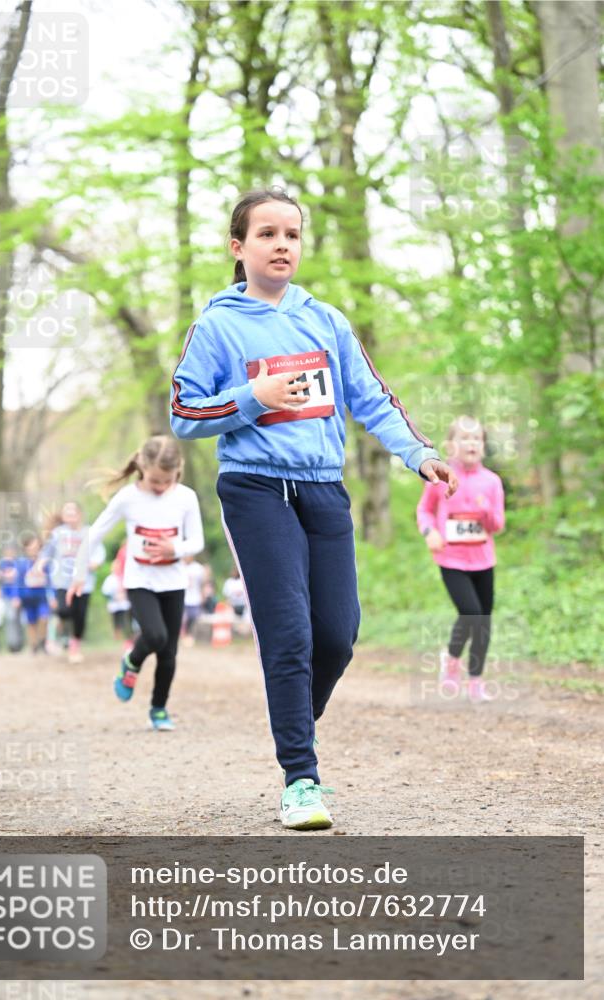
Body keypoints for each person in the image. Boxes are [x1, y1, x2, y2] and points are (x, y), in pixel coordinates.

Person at [170, 187, 457, 831]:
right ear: (238, 247)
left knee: (337, 634)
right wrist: (253, 395)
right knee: (290, 634)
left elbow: (373, 398)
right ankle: (301, 778)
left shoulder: (325, 320)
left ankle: (297, 718)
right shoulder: (217, 326)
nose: (282, 245)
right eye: (267, 234)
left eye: (292, 235)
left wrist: (419, 454)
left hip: (324, 488)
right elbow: (184, 413)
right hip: (255, 489)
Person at [67, 436, 205, 731]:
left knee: (169, 653)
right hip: (140, 580)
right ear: (142, 466)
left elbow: (197, 541)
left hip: (174, 581)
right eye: (155, 480)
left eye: (167, 480)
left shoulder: (186, 498)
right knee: (155, 636)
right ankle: (132, 661)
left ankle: (158, 709)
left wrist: (174, 548)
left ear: (178, 470)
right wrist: (78, 574)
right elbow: (95, 534)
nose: (161, 487)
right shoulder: (128, 498)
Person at [417, 415, 505, 703]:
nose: (471, 444)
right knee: (471, 613)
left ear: (483, 445)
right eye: (464, 438)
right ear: (450, 445)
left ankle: (475, 681)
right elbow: (424, 511)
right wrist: (429, 531)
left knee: (483, 621)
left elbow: (497, 525)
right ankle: (452, 660)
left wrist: (486, 510)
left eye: (477, 438)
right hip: (451, 560)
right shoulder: (439, 479)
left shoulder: (492, 482)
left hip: (483, 560)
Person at [41, 501, 105, 664]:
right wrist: (40, 564)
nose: (70, 517)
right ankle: (55, 637)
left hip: (84, 582)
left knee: (80, 615)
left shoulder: (89, 532)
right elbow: (47, 552)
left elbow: (99, 551)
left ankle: (74, 647)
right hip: (62, 581)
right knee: (63, 609)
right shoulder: (57, 533)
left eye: (73, 514)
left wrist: (95, 563)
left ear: (79, 515)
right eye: (67, 514)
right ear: (63, 517)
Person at [12, 534, 51, 654]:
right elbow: (17, 581)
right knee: (31, 622)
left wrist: (53, 596)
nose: (33, 549)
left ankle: (42, 642)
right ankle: (33, 646)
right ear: (26, 548)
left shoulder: (44, 563)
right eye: (30, 546)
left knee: (44, 618)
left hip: (41, 596)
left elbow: (50, 580)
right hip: (27, 597)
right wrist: (16, 597)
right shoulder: (21, 563)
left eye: (36, 546)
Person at [101, 570, 133, 646]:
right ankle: (117, 639)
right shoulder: (110, 579)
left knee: (126, 622)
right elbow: (105, 592)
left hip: (126, 605)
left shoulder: (127, 576)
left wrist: (126, 596)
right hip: (114, 606)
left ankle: (128, 639)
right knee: (116, 623)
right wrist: (114, 597)